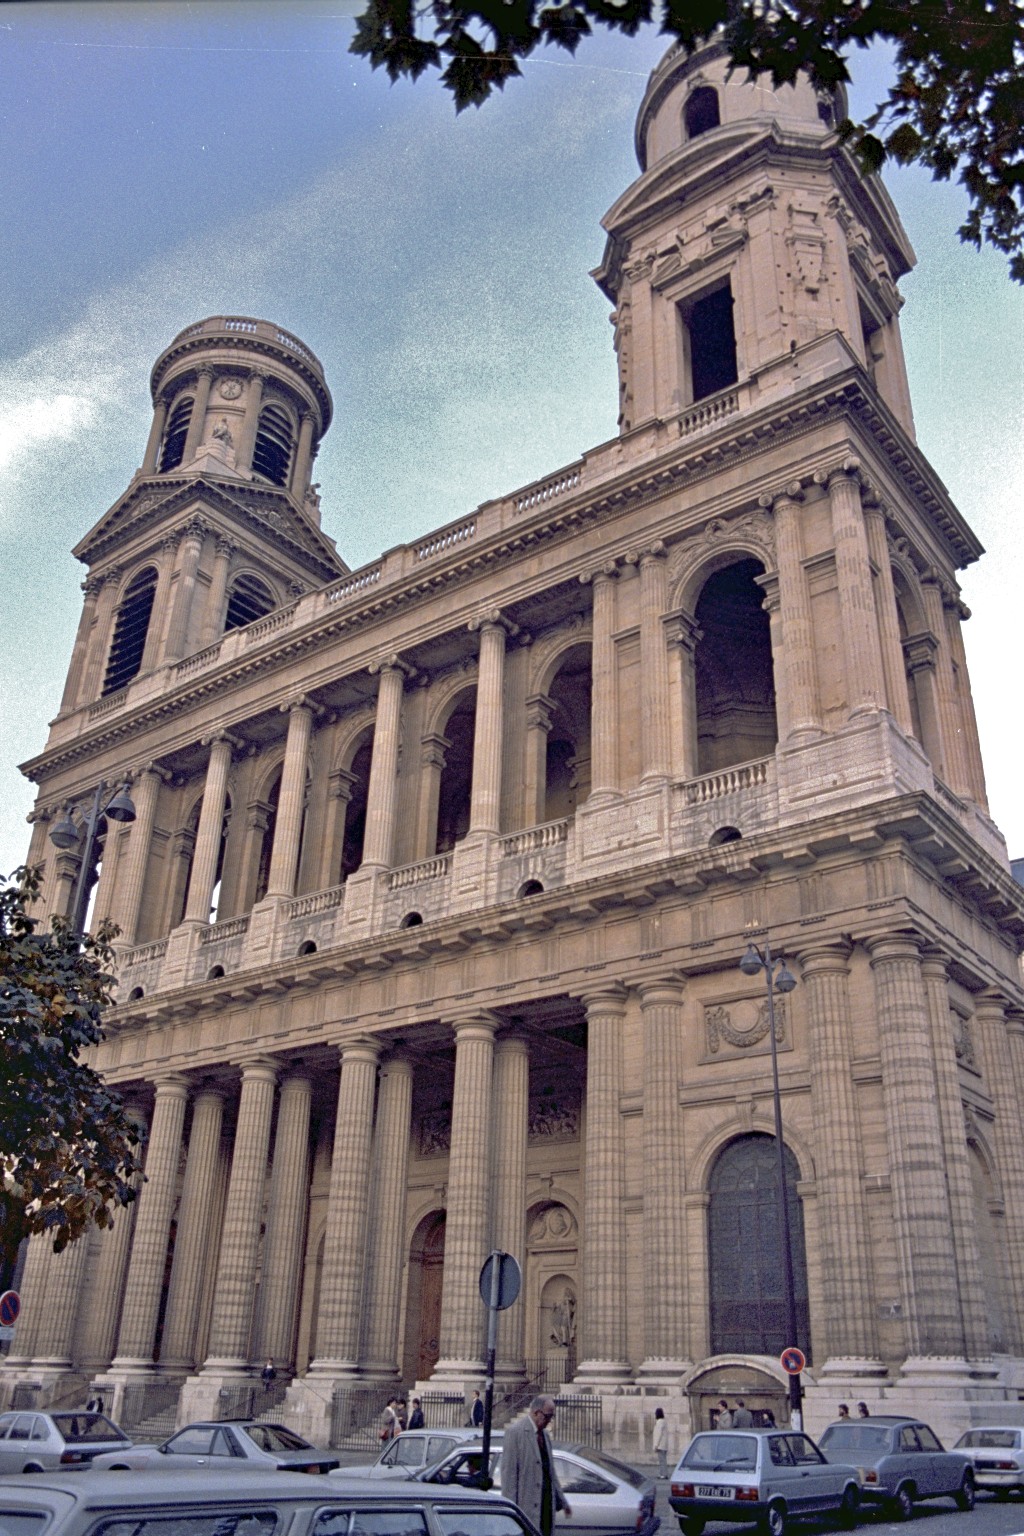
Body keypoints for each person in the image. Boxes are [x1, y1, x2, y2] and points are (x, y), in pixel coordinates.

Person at [502, 1395, 572, 1536]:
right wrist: (510, 1514)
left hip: (546, 1505)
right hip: (526, 1510)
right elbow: (509, 1477)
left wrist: (562, 1501)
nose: (549, 1421)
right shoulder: (515, 1433)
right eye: (547, 1416)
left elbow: (550, 1471)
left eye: (552, 1417)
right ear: (536, 1412)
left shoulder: (545, 1436)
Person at [652, 1407, 668, 1478]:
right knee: (663, 1460)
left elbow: (658, 1434)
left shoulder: (659, 1423)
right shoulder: (664, 1422)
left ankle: (663, 1474)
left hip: (660, 1445)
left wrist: (656, 1445)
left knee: (662, 1461)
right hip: (664, 1445)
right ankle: (663, 1473)